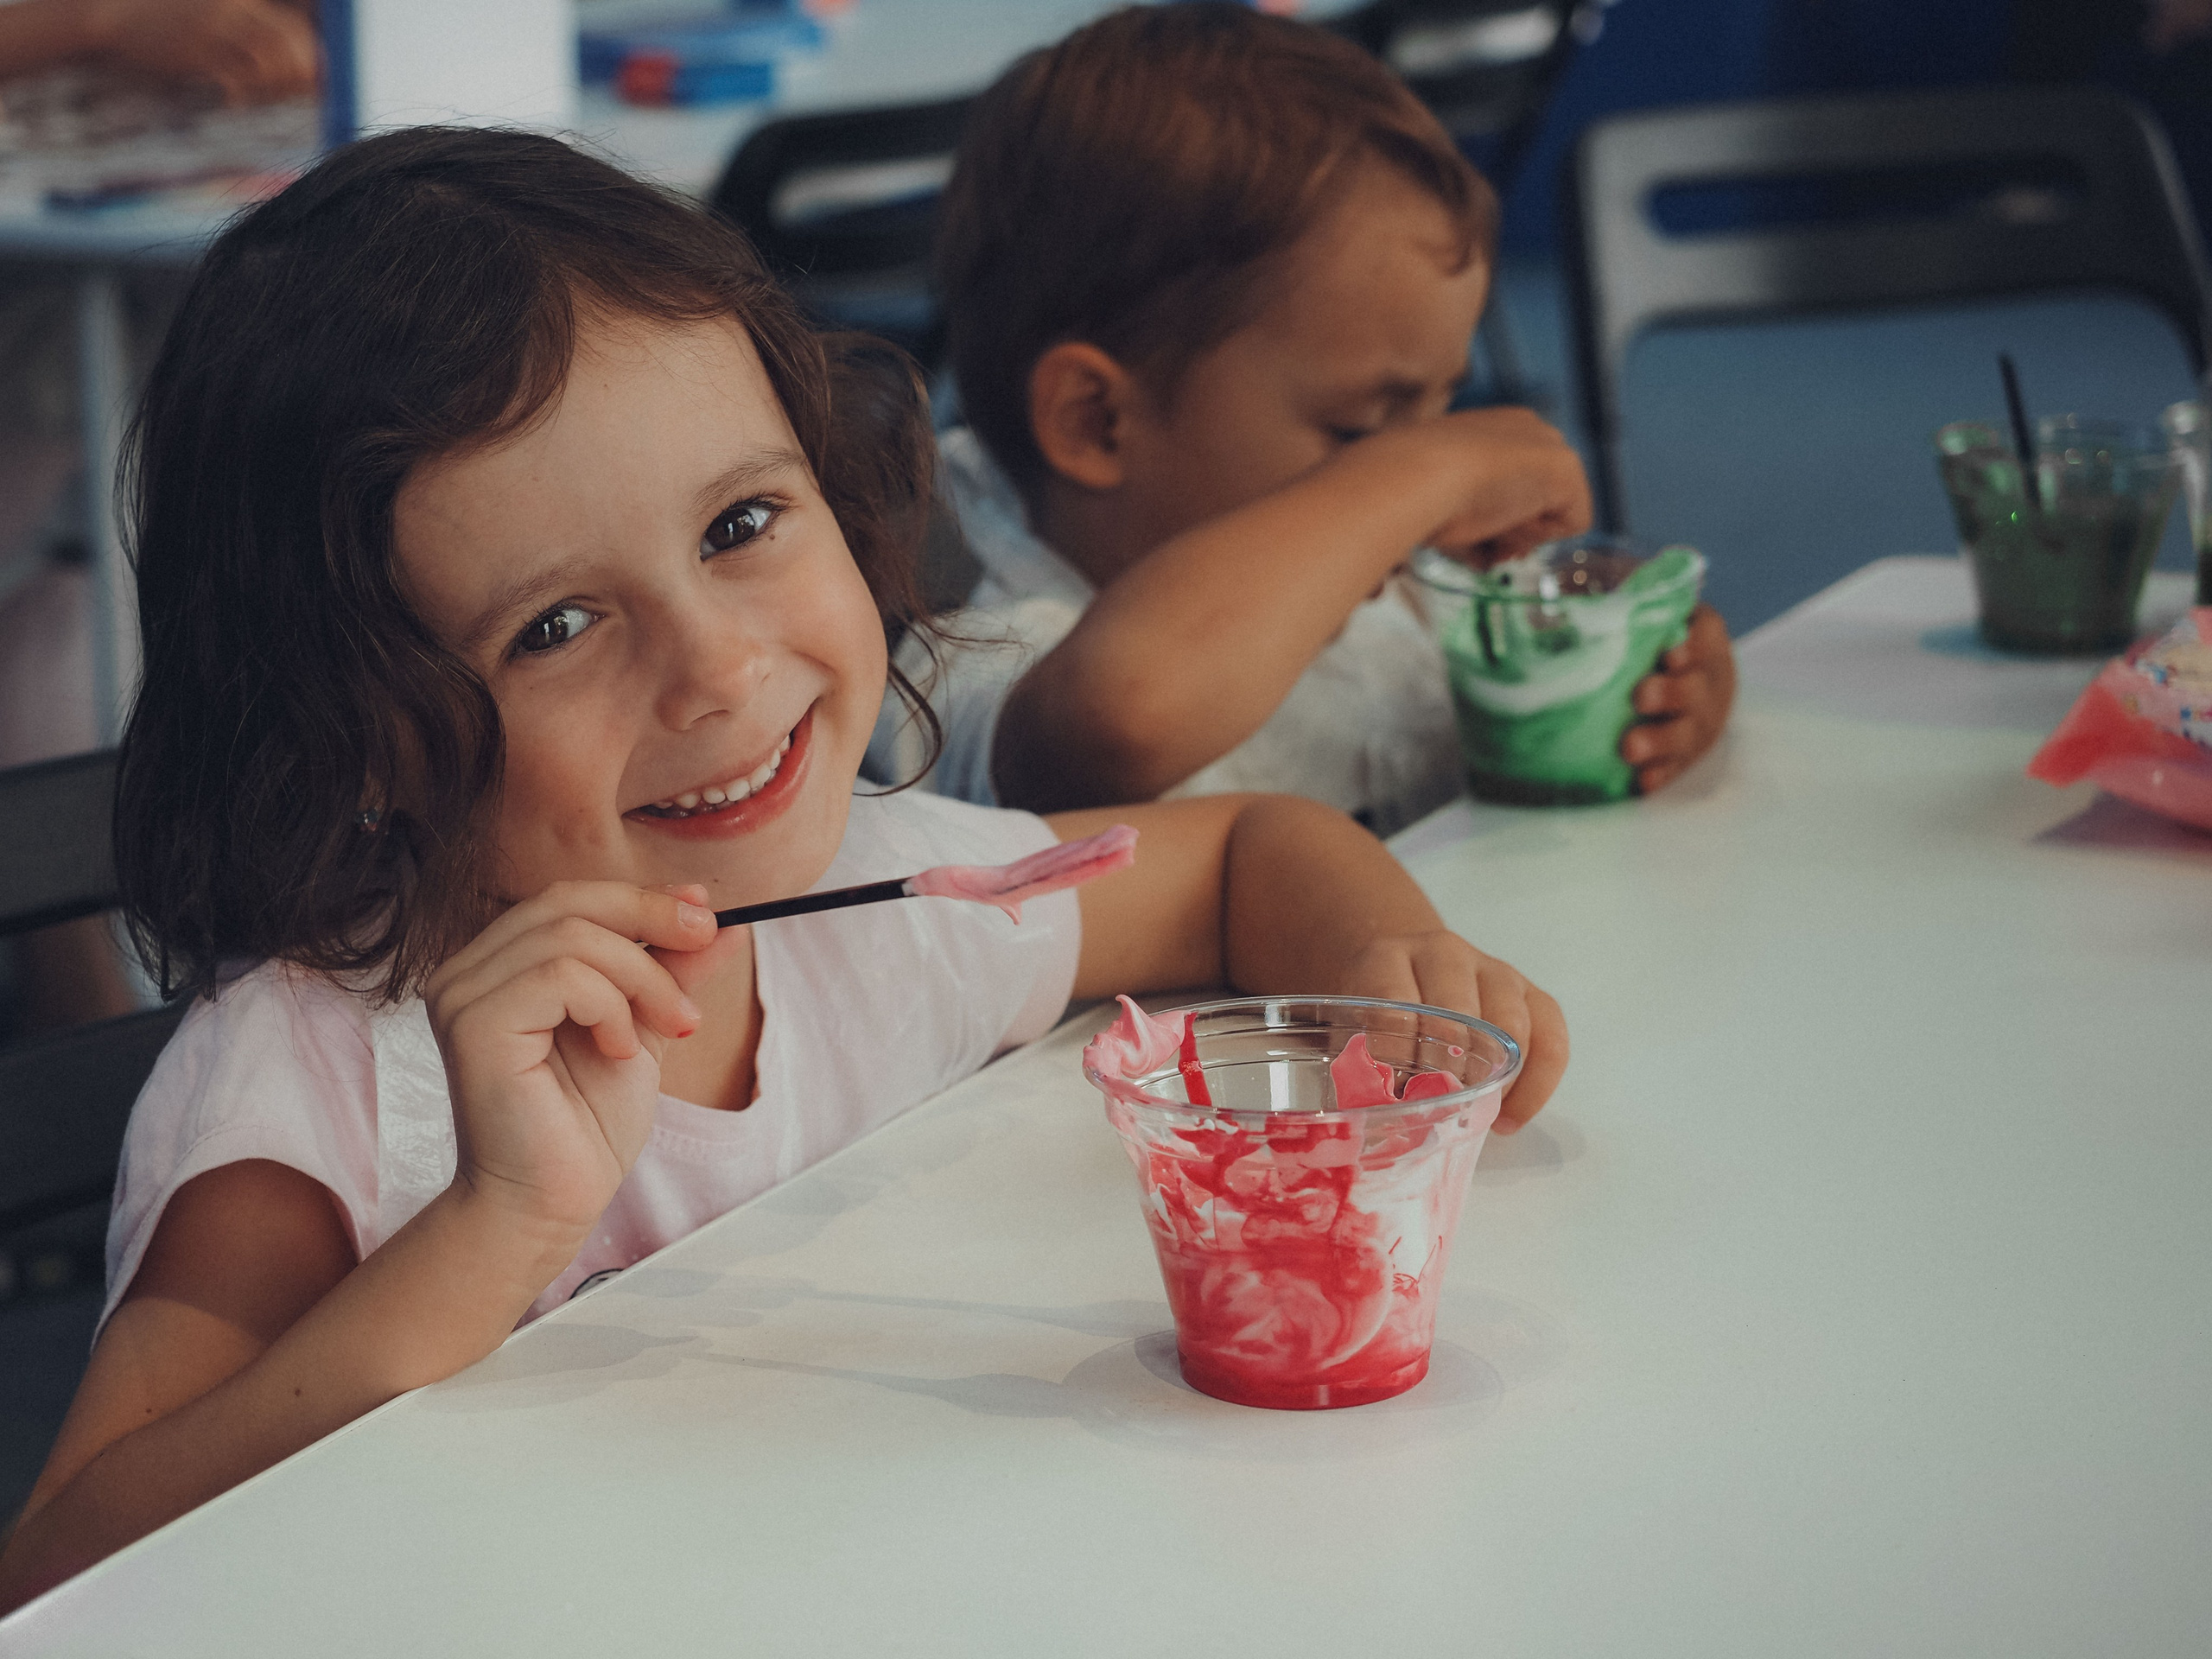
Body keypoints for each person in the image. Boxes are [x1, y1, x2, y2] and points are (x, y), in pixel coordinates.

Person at [0, 127, 1567, 1610]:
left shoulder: (886, 904)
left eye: (743, 522)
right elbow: (60, 1575)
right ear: (363, 740)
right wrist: (491, 1228)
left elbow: (1242, 857)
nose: (719, 671)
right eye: (556, 626)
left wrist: (1386, 963)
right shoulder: (322, 1081)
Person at [866, 3, 1736, 833]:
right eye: (1360, 434)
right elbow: (1125, 711)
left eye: (1442, 411)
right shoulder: (966, 653)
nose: (1422, 491)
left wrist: (1649, 696)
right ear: (1097, 423)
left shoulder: (1395, 592)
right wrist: (1423, 472)